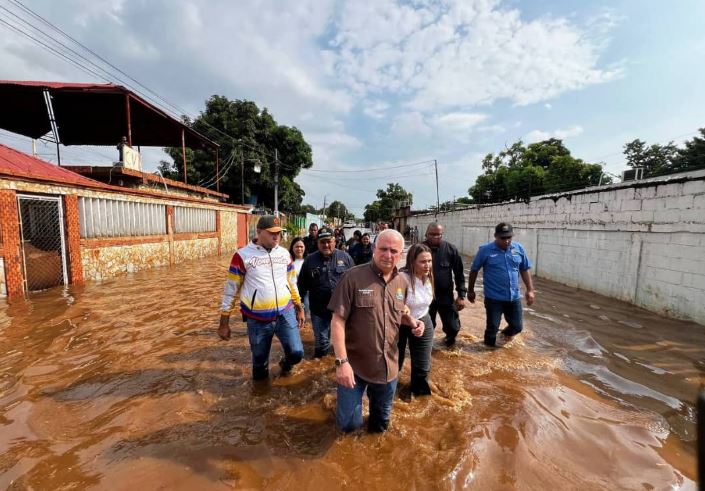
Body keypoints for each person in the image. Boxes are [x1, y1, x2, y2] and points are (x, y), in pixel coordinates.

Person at [328, 229, 424, 433]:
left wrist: (413, 322)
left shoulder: (401, 283)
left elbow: (396, 313)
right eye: (383, 249)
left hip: (388, 368)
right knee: (348, 426)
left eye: (393, 251)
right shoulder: (352, 277)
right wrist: (341, 362)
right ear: (373, 249)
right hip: (354, 366)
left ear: (401, 254)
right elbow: (337, 321)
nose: (388, 255)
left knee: (380, 425)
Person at [218, 215, 306, 380]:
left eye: (278, 233)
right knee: (259, 365)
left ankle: (285, 365)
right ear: (258, 232)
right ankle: (259, 397)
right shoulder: (242, 256)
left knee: (297, 353)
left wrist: (299, 307)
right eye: (271, 233)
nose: (276, 237)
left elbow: (292, 282)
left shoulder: (284, 254)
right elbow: (231, 289)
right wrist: (224, 322)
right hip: (257, 319)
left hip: (285, 314)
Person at [468, 223, 535, 347]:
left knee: (517, 327)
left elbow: (524, 269)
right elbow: (474, 270)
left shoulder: (518, 248)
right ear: (495, 236)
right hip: (494, 298)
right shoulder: (485, 251)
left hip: (513, 297)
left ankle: (503, 336)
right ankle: (487, 351)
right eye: (503, 238)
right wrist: (470, 290)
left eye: (509, 237)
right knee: (492, 327)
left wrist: (530, 290)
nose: (507, 240)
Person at [298, 227, 354, 358]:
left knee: (343, 345)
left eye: (329, 241)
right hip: (319, 311)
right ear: (317, 243)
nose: (326, 245)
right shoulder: (309, 260)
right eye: (322, 242)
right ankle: (318, 366)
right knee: (322, 345)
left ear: (334, 241)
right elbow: (301, 286)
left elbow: (355, 284)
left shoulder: (345, 258)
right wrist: (299, 307)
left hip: (342, 311)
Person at [398, 243, 435, 396]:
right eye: (423, 261)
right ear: (412, 262)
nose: (427, 265)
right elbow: (397, 303)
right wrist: (409, 318)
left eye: (430, 261)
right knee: (394, 362)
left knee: (422, 366)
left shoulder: (429, 277)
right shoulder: (401, 279)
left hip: (423, 320)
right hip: (400, 323)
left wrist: (420, 323)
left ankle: (420, 398)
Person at [423, 222, 467, 347]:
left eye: (439, 235)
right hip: (425, 297)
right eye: (432, 234)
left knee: (453, 327)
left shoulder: (451, 249)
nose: (435, 237)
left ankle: (449, 343)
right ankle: (426, 350)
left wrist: (461, 296)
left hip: (445, 296)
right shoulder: (419, 249)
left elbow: (459, 274)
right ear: (426, 234)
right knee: (426, 328)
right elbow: (409, 273)